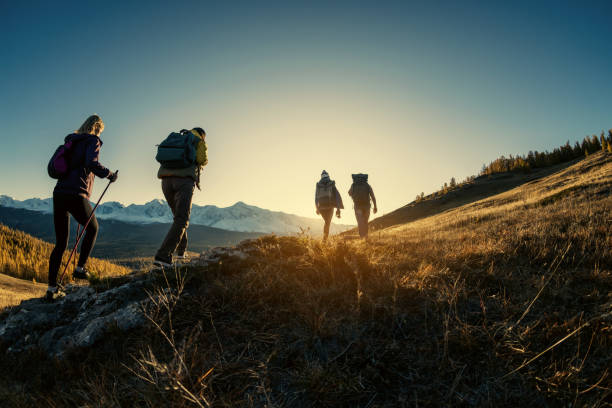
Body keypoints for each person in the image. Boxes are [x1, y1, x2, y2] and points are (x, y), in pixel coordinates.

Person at [47, 114, 118, 301]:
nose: (100, 133)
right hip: (76, 192)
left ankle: (52, 288)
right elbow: (91, 163)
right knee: (93, 228)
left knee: (61, 243)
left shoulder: (72, 140)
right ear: (96, 127)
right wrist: (109, 174)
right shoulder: (93, 140)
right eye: (100, 130)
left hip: (59, 192)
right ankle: (80, 268)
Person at [154, 127, 208, 267]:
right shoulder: (198, 141)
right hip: (183, 181)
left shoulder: (178, 138)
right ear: (203, 136)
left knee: (178, 217)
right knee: (182, 219)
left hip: (166, 181)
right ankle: (163, 256)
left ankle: (181, 252)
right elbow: (202, 159)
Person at [315, 170, 344, 240]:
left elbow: (316, 198)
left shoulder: (318, 185)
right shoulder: (331, 184)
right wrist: (338, 209)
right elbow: (337, 196)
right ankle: (324, 240)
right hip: (330, 207)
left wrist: (317, 208)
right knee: (327, 223)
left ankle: (324, 239)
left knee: (326, 222)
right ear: (328, 176)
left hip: (321, 207)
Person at [348, 173, 377, 239]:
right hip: (367, 206)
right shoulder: (367, 185)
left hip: (357, 206)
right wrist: (375, 206)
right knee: (365, 222)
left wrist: (354, 197)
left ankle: (362, 237)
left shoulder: (354, 185)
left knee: (360, 222)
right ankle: (366, 237)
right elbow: (373, 196)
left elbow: (349, 193)